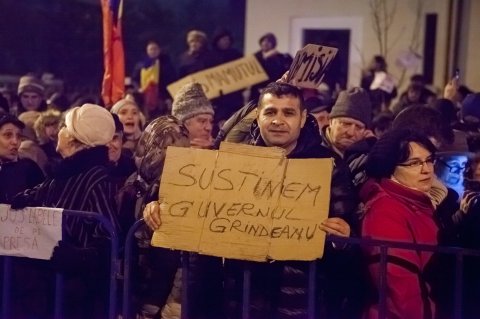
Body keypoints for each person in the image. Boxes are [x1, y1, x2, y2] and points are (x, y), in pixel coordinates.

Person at [145, 82, 359, 318]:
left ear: (302, 117)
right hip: (242, 296)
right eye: (270, 112)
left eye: (288, 112)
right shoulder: (233, 159)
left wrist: (344, 236)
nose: (278, 120)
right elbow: (188, 199)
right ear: (258, 116)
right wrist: (156, 205)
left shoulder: (328, 165)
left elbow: (346, 224)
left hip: (299, 298)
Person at [11, 103, 120, 319]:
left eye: (64, 127)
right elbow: (45, 191)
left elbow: (108, 234)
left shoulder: (95, 178)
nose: (58, 131)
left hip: (78, 295)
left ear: (72, 138)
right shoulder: (66, 171)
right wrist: (26, 198)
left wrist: (79, 257)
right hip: (53, 286)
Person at [361, 128, 439, 319]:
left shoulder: (414, 202)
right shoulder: (386, 211)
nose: (426, 169)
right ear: (390, 168)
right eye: (414, 163)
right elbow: (401, 290)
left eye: (429, 160)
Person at [116, 115, 190, 318]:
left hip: (163, 294)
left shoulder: (186, 189)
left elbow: (185, 254)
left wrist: (175, 301)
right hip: (133, 291)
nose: (172, 156)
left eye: (182, 148)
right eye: (164, 147)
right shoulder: (132, 186)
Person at [321, 87, 374, 159]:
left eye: (358, 127)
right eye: (346, 124)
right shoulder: (311, 154)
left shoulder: (366, 156)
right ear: (331, 122)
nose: (351, 133)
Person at [133, 40, 177, 118]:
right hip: (145, 98)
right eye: (151, 49)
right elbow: (134, 79)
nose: (153, 51)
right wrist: (138, 89)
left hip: (161, 98)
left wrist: (168, 97)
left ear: (159, 50)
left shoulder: (166, 64)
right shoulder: (141, 65)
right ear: (147, 51)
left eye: (155, 49)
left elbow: (172, 81)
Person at [249, 33, 292, 101]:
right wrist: (264, 58)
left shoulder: (280, 57)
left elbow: (281, 72)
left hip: (273, 89)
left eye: (268, 41)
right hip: (257, 90)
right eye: (264, 41)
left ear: (273, 44)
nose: (265, 43)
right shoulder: (255, 56)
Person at [171, 82, 215, 149]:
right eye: (202, 121)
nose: (209, 128)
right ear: (183, 125)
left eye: (211, 122)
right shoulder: (163, 154)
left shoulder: (224, 150)